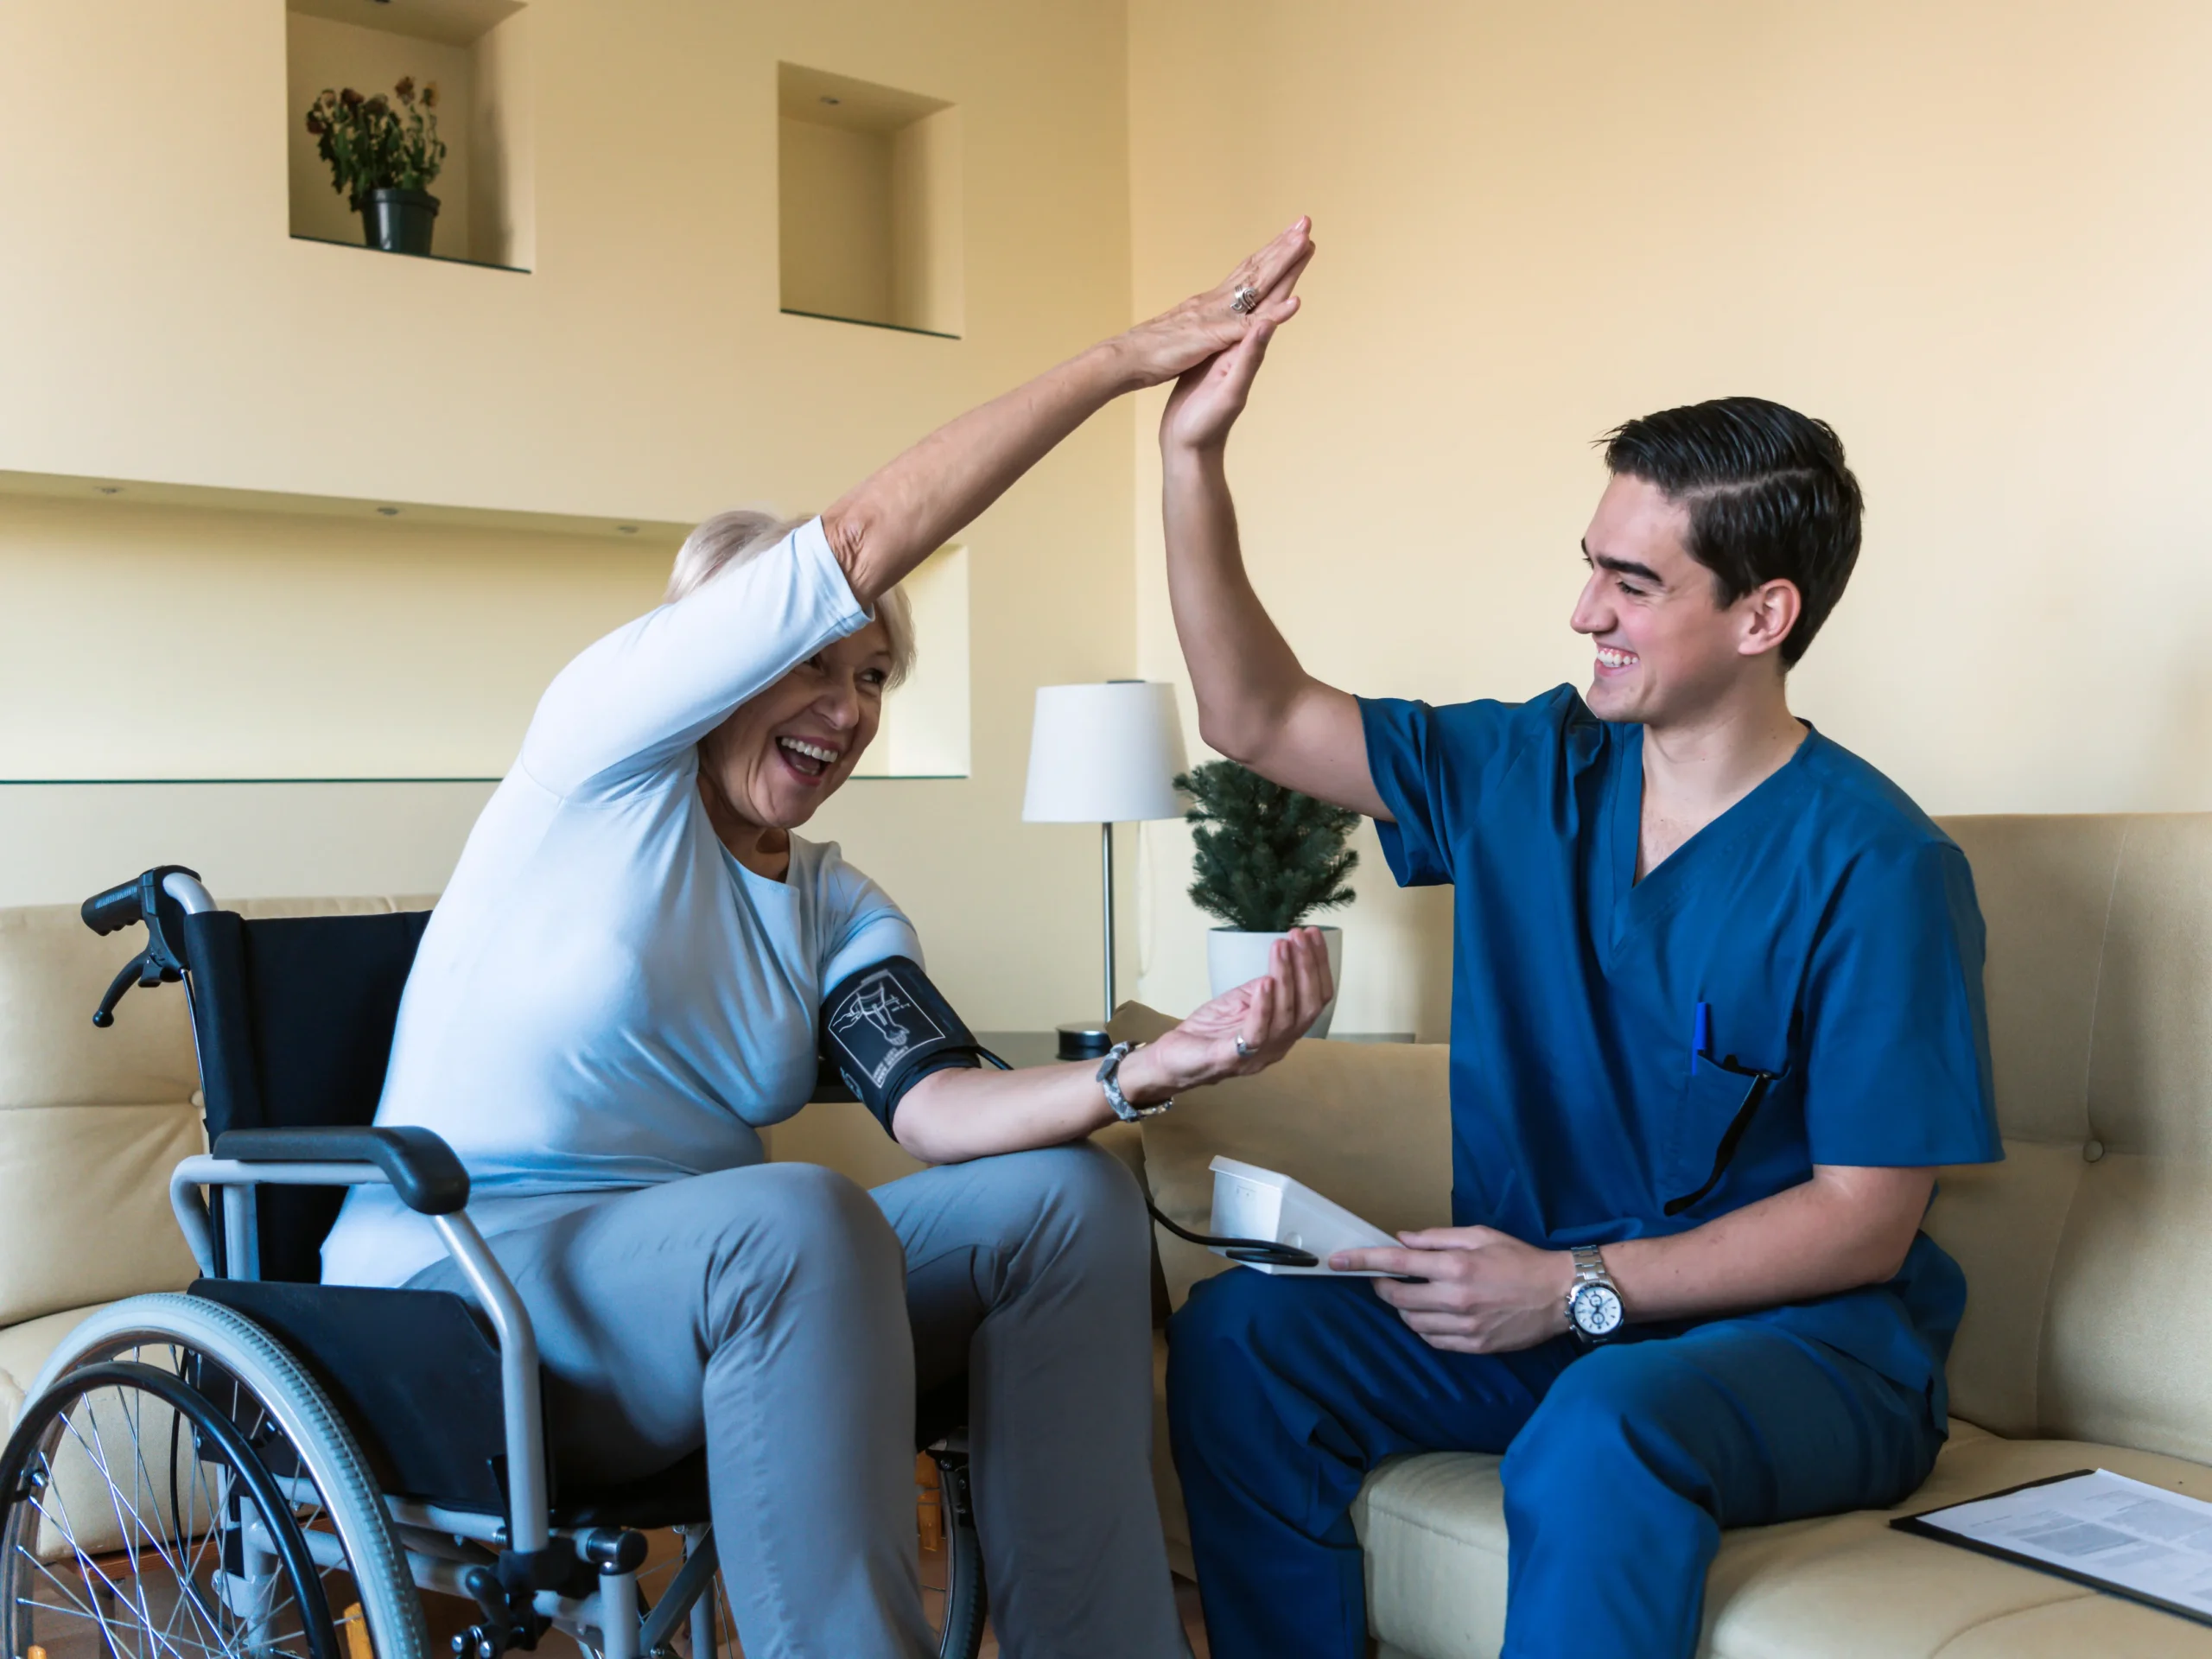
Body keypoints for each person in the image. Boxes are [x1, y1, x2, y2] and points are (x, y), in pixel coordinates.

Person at [318, 222, 1336, 1659]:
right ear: (715, 665)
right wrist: (1122, 362)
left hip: (714, 1287)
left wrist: (1146, 1073)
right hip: (471, 1297)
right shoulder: (598, 762)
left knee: (1068, 1200)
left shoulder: (832, 901)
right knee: (794, 1215)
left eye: (872, 676)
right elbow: (860, 539)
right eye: (811, 660)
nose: (849, 709)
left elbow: (935, 1106)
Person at [1156, 220, 2002, 1659]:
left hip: (1805, 1356)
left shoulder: (1880, 866)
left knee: (1607, 1423)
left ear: (1764, 615)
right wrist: (1192, 459)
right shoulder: (1524, 770)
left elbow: (1867, 1217)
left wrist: (1574, 1286)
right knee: (1242, 1341)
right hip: (1549, 1322)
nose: (1582, 612)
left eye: (1634, 584)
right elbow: (1257, 715)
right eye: (1591, 565)